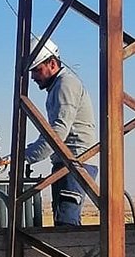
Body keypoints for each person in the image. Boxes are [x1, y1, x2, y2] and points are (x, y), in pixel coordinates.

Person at [7, 36, 98, 228]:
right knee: (63, 222)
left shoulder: (66, 84)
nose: (33, 77)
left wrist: (24, 155)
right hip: (68, 163)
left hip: (75, 163)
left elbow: (57, 132)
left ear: (53, 63)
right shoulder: (58, 86)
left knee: (67, 225)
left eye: (37, 70)